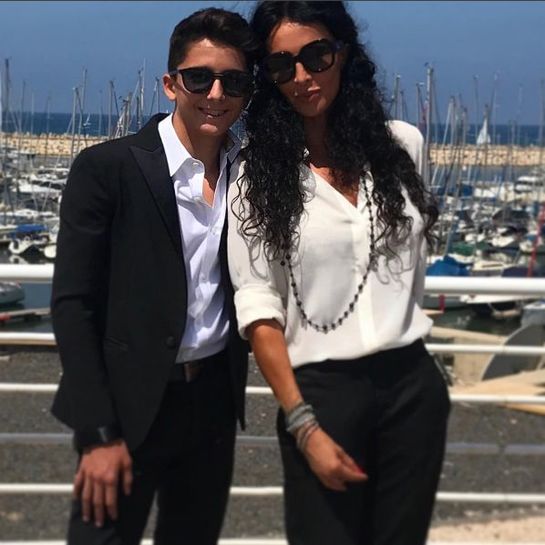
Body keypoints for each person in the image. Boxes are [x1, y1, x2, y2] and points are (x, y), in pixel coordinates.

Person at [228, 2, 450, 544]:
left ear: (343, 54)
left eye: (316, 55)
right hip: (321, 394)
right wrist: (303, 424)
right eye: (282, 65)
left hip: (412, 385)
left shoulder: (403, 146)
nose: (302, 76)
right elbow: (259, 307)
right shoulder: (254, 175)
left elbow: (412, 265)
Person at [51, 8, 256, 545]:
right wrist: (98, 433)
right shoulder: (108, 168)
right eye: (199, 78)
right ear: (170, 84)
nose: (216, 94)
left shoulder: (251, 174)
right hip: (125, 408)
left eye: (233, 81)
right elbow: (73, 304)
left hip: (211, 404)